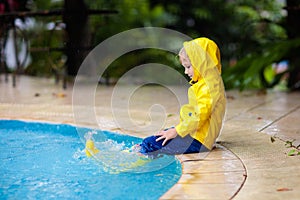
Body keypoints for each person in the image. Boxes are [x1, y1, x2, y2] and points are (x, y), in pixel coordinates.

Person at [135, 37, 226, 156]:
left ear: (202, 63)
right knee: (158, 137)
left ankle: (135, 159)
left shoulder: (209, 87)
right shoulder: (208, 83)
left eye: (188, 67)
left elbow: (200, 115)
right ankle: (139, 150)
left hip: (198, 141)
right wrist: (176, 130)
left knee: (150, 144)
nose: (186, 72)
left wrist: (177, 131)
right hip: (197, 135)